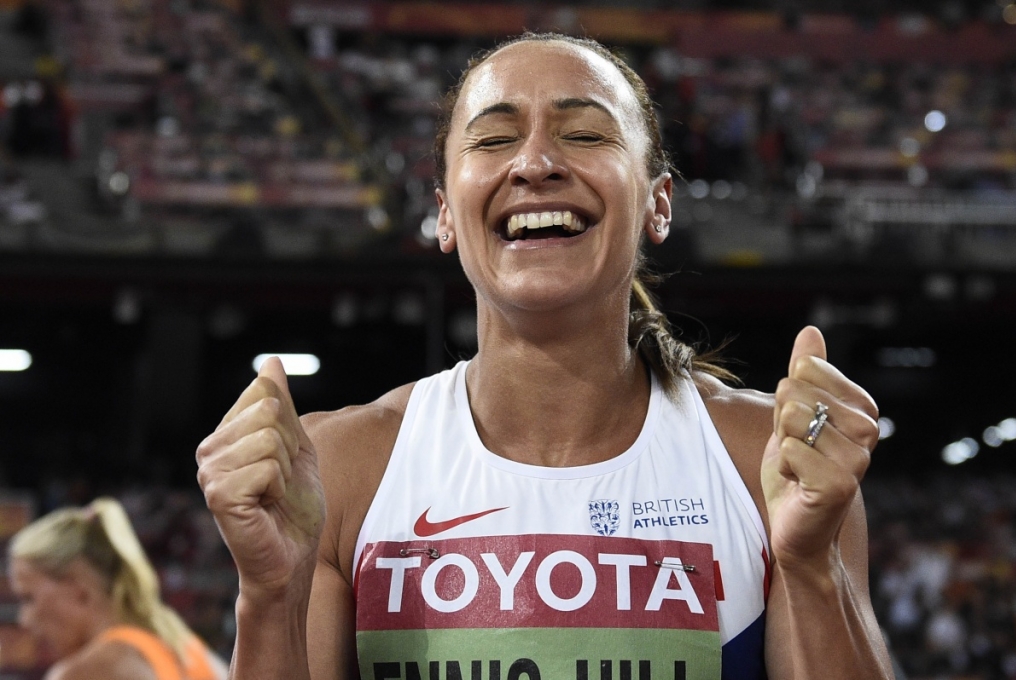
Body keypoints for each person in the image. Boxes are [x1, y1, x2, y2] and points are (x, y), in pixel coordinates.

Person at [195, 32, 896, 679]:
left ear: (658, 204)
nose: (534, 163)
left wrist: (811, 567)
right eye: (495, 139)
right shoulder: (343, 468)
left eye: (585, 133)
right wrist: (268, 595)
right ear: (445, 213)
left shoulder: (765, 461)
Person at [7, 497, 229, 680]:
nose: (26, 619)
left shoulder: (87, 672)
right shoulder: (189, 649)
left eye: (29, 598)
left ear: (78, 588)